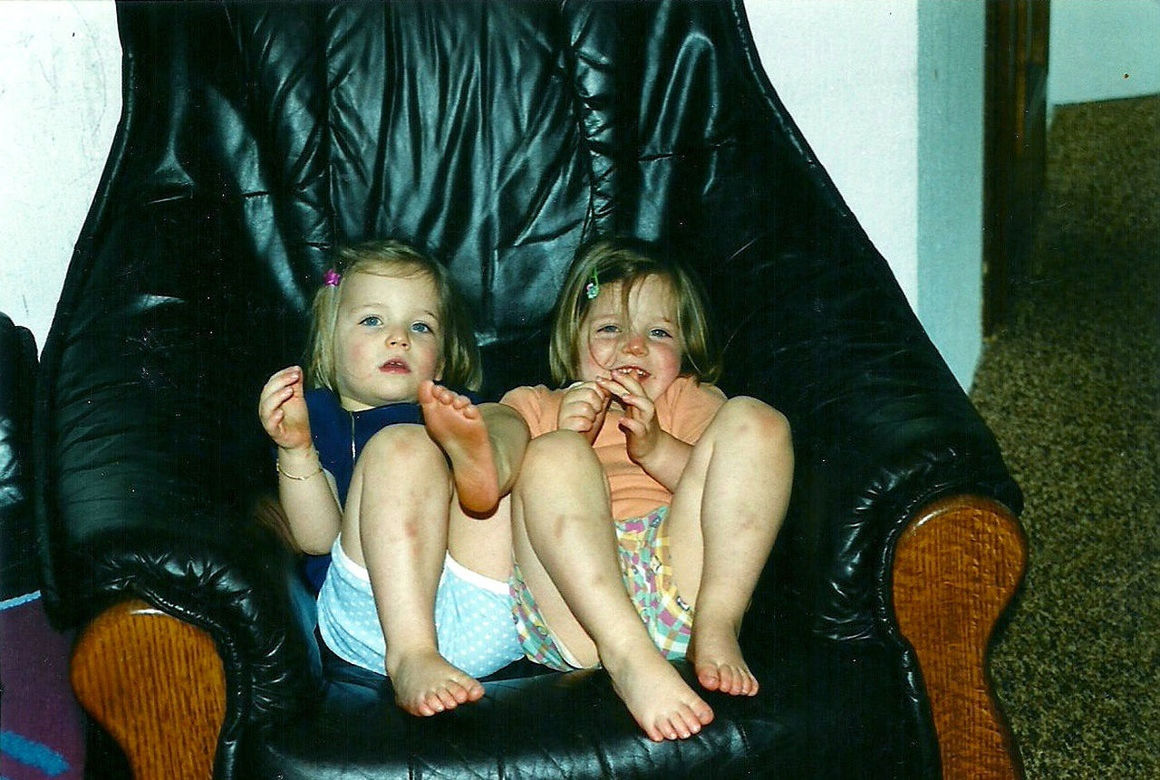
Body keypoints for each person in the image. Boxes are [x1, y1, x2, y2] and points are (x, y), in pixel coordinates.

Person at [477, 237, 794, 743]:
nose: (633, 345)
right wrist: (562, 431)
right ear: (571, 340)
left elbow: (731, 491)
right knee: (554, 455)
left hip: (681, 583)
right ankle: (631, 658)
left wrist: (657, 449)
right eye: (609, 328)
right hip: (578, 610)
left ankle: (719, 623)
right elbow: (493, 462)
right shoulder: (536, 403)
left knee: (757, 421)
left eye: (659, 331)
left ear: (685, 348)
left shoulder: (687, 400)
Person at [257, 239, 526, 717]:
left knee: (510, 418)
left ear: (440, 361)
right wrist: (296, 450)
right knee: (404, 447)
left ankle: (492, 462)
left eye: (420, 326)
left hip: (482, 610)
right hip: (374, 624)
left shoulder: (456, 410)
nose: (399, 337)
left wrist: (499, 427)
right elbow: (318, 540)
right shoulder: (317, 416)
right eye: (373, 320)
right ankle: (414, 653)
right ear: (331, 345)